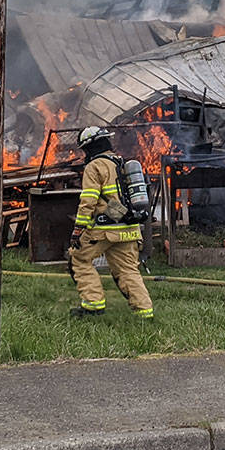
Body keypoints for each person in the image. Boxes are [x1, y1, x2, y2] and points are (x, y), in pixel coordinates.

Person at [68, 126, 154, 319]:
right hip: (130, 228)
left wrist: (78, 229)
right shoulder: (122, 163)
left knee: (79, 258)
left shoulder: (95, 167)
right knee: (128, 270)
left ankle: (93, 305)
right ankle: (145, 312)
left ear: (89, 147)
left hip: (104, 229)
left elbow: (88, 200)